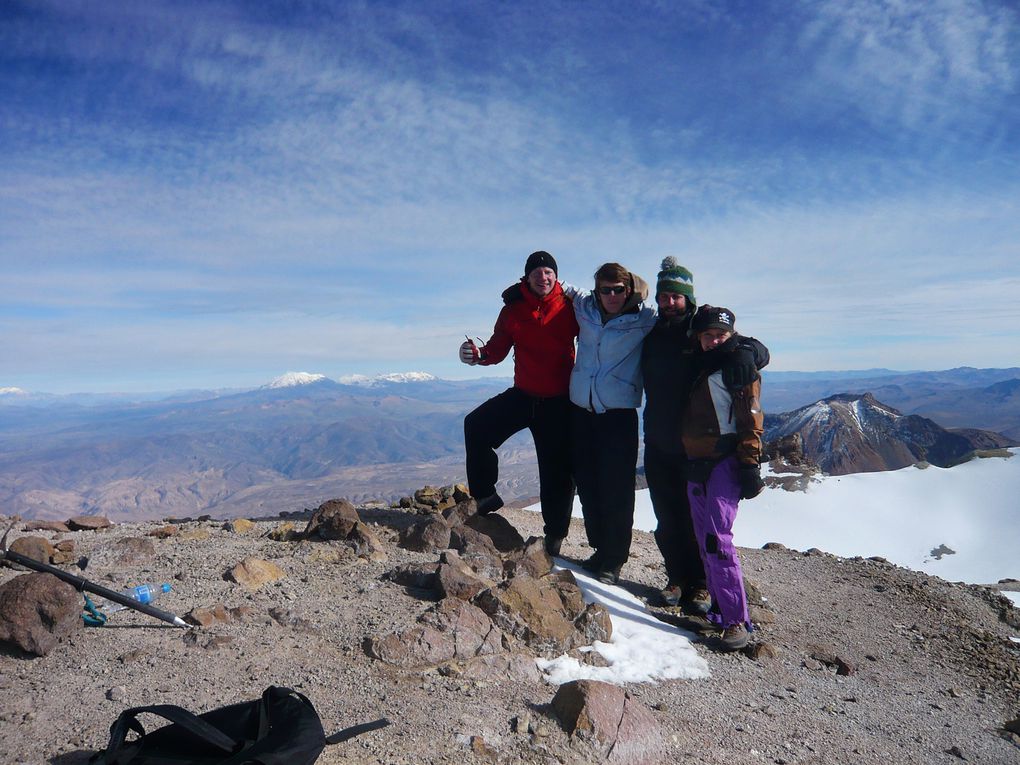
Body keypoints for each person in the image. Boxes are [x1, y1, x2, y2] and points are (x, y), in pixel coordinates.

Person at [641, 257, 769, 614]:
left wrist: (749, 351)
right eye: (663, 296)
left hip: (695, 446)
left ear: (688, 297)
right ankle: (677, 578)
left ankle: (700, 585)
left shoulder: (700, 329)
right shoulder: (650, 333)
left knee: (693, 519)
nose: (668, 303)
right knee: (666, 518)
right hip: (657, 439)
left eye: (675, 297)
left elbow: (744, 343)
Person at [459, 251, 578, 556]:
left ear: (556, 276)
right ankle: (485, 496)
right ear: (527, 277)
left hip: (559, 402)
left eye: (548, 271)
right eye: (537, 272)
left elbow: (598, 333)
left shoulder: (571, 307)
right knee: (476, 426)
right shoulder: (513, 310)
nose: (543, 276)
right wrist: (478, 355)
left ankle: (555, 537)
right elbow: (497, 348)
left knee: (557, 472)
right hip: (524, 395)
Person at [564, 263, 656, 584]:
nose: (612, 296)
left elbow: (686, 320)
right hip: (581, 412)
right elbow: (554, 285)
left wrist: (744, 347)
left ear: (628, 290)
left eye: (619, 289)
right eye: (606, 289)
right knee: (587, 483)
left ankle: (614, 559)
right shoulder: (584, 309)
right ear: (597, 290)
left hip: (618, 417)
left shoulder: (644, 320)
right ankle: (600, 548)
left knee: (617, 489)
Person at [682, 305, 765, 651]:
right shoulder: (697, 363)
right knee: (703, 538)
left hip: (725, 461)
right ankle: (719, 609)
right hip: (696, 461)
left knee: (718, 539)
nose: (714, 340)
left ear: (732, 336)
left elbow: (751, 417)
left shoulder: (738, 366)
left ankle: (736, 620)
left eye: (721, 335)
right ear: (698, 338)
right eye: (708, 335)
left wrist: (749, 464)